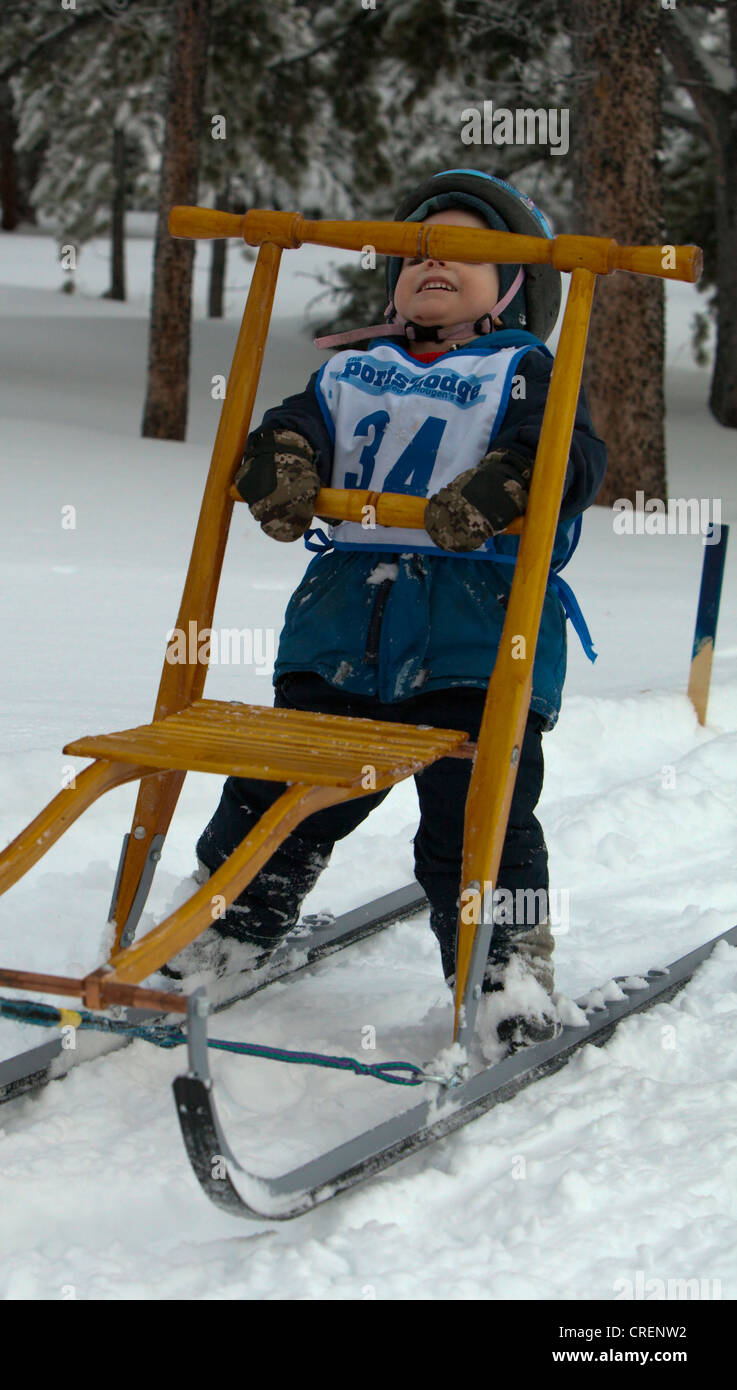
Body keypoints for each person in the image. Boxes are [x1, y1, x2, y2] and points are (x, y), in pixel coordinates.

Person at [161, 169, 607, 1056]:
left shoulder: (521, 368)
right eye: (414, 250)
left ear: (513, 287)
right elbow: (290, 427)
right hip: (337, 635)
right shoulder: (351, 371)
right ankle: (234, 920)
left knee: (480, 815)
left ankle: (504, 965)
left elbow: (567, 455)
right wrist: (284, 465)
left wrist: (495, 489)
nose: (431, 259)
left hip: (476, 637)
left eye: (465, 248)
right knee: (281, 791)